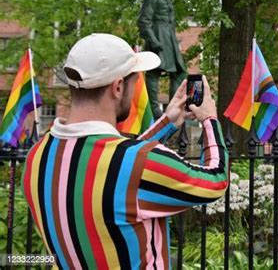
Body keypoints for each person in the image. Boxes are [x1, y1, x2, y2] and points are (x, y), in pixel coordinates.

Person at [22, 33, 228, 269]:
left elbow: (113, 164)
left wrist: (167, 122)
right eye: (134, 81)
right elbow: (215, 180)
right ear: (118, 86)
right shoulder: (138, 162)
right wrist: (209, 118)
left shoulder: (36, 156)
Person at [138, 0, 187, 119]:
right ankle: (154, 108)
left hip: (169, 37)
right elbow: (143, 21)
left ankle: (172, 106)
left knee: (180, 71)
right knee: (154, 71)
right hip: (159, 35)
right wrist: (153, 40)